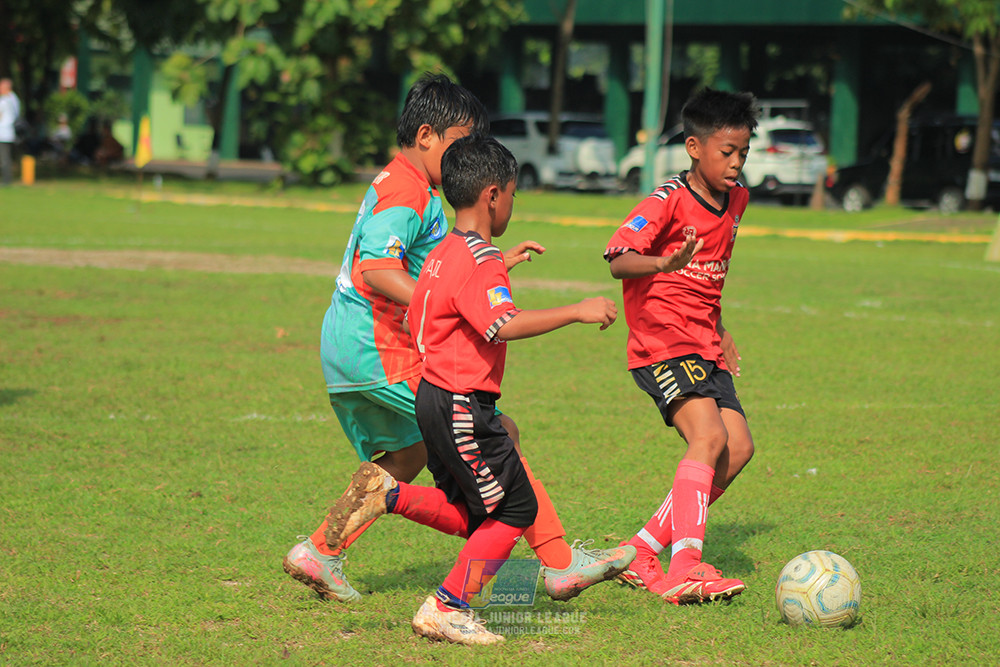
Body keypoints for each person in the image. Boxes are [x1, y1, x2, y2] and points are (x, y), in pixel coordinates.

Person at [283, 73, 634, 605]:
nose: (463, 153)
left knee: (407, 457)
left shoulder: (403, 183)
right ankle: (557, 563)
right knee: (499, 434)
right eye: (458, 141)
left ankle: (320, 549)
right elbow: (377, 269)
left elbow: (435, 270)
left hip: (350, 345)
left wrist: (482, 272)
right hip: (377, 345)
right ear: (426, 136)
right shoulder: (406, 189)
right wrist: (460, 298)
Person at [604, 88, 760, 605]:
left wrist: (720, 325)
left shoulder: (736, 200)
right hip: (661, 340)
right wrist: (661, 264)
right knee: (708, 437)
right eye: (726, 152)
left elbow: (710, 275)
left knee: (738, 449)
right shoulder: (666, 200)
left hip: (702, 341)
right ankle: (685, 568)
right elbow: (618, 257)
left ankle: (642, 550)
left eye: (743, 151)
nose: (736, 163)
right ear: (694, 147)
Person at [0, 77, 21, 185]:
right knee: (6, 157)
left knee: (4, 158)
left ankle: (6, 181)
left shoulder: (4, 100)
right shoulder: (14, 99)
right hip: (8, 132)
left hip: (3, 133)